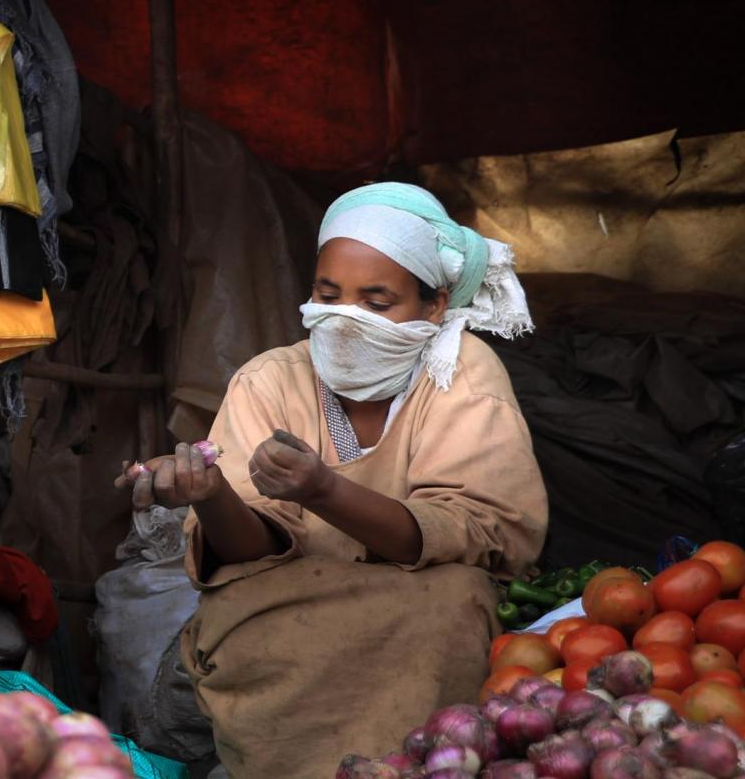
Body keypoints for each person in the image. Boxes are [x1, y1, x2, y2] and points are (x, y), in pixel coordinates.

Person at [120, 182, 546, 778]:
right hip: (288, 603)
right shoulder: (268, 381)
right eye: (329, 295)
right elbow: (249, 552)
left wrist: (325, 491)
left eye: (377, 302)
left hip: (424, 608)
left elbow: (479, 529)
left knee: (455, 602)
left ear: (435, 305)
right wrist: (211, 496)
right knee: (235, 613)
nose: (346, 318)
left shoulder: (461, 374)